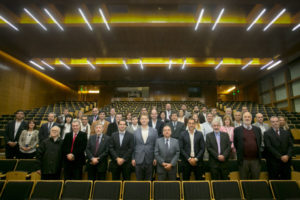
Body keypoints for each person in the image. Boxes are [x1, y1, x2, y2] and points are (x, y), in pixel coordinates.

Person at [234, 112, 262, 180]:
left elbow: (259, 142)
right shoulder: (237, 130)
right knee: (244, 181)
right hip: (243, 161)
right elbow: (236, 144)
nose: (247, 118)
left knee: (256, 180)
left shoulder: (257, 129)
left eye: (249, 117)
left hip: (255, 160)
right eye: (245, 117)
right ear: (242, 118)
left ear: (251, 118)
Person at [132, 114, 158, 180]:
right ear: (140, 120)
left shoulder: (154, 131)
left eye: (145, 118)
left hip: (150, 158)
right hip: (138, 159)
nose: (144, 120)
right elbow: (133, 146)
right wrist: (133, 158)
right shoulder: (135, 132)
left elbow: (156, 145)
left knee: (149, 180)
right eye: (142, 119)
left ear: (148, 120)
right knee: (139, 179)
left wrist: (155, 158)